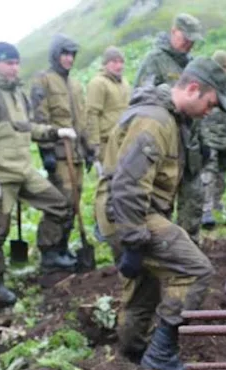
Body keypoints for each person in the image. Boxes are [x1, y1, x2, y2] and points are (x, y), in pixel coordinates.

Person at [107, 57, 226, 370]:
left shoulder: (172, 120)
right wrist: (134, 241)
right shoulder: (155, 121)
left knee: (144, 287)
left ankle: (133, 352)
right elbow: (128, 185)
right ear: (193, 89)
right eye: (210, 103)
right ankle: (160, 353)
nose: (210, 111)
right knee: (196, 270)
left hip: (128, 213)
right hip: (129, 214)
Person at [0, 42, 77, 305]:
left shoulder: (16, 92)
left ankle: (49, 254)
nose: (14, 68)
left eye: (16, 63)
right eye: (8, 63)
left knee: (59, 204)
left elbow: (26, 127)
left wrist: (53, 132)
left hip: (23, 170)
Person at [134, 13, 206, 244]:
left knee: (193, 201)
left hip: (190, 146)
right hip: (166, 146)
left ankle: (190, 251)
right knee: (161, 204)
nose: (189, 44)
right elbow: (141, 98)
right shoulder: (154, 60)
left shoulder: (191, 63)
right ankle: (163, 253)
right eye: (186, 38)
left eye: (193, 40)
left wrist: (202, 140)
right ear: (174, 32)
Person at [31, 34, 90, 258]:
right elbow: (39, 117)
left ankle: (63, 246)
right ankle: (49, 250)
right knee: (60, 202)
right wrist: (46, 151)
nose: (69, 59)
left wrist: (89, 148)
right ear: (56, 55)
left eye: (72, 55)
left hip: (76, 153)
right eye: (65, 54)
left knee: (74, 202)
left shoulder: (74, 84)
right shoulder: (43, 80)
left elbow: (81, 119)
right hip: (58, 152)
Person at [88, 46, 130, 259]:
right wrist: (94, 145)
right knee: (105, 185)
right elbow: (92, 114)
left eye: (120, 61)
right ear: (105, 64)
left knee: (119, 184)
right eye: (113, 61)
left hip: (123, 141)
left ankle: (116, 221)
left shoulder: (124, 83)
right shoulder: (98, 83)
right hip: (105, 143)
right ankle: (101, 225)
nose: (118, 65)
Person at [199, 50, 226, 228]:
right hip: (209, 138)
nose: (223, 71)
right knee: (208, 174)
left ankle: (216, 203)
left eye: (225, 67)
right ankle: (206, 209)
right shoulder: (206, 86)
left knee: (222, 175)